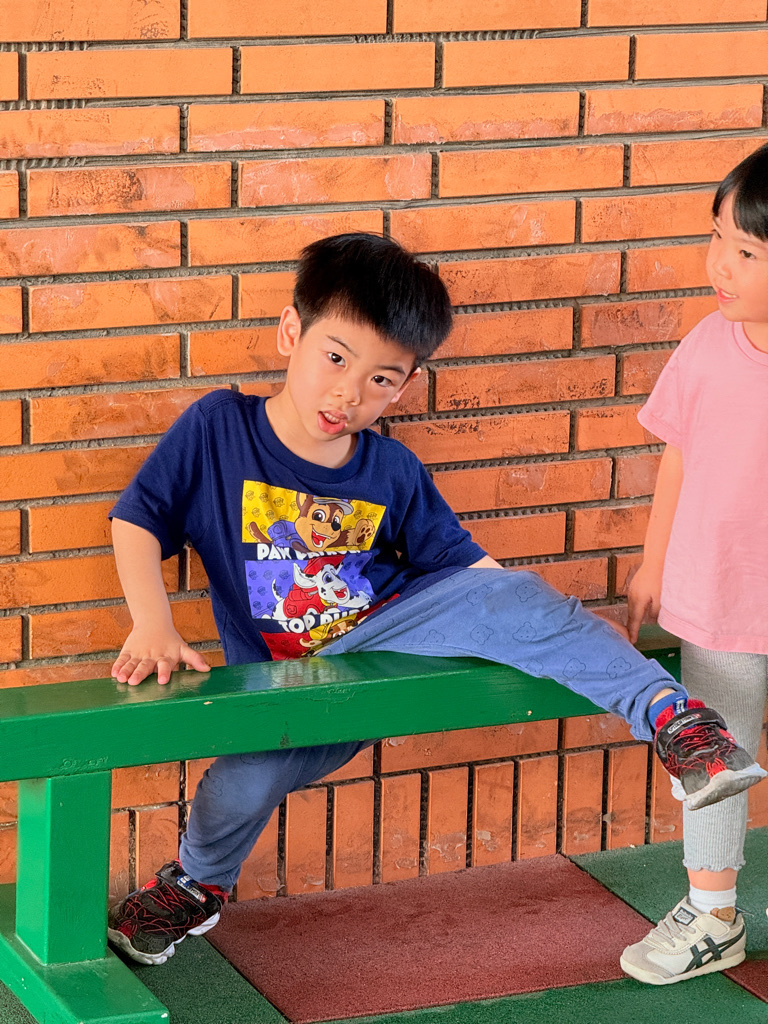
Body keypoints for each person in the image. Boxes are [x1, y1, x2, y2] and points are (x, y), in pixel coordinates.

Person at [105, 232, 765, 967]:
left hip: (386, 635)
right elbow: (139, 517)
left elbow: (471, 574)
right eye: (335, 359)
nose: (349, 394)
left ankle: (679, 725)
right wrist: (152, 624)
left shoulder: (390, 466)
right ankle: (194, 884)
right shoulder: (218, 429)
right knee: (240, 781)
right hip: (285, 678)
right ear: (291, 331)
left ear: (406, 385)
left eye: (381, 379)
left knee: (517, 598)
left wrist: (549, 623)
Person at [620, 143, 768, 986]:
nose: (719, 265)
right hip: (718, 600)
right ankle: (714, 915)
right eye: (716, 237)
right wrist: (653, 563)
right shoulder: (708, 344)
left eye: (745, 251)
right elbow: (676, 456)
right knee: (715, 761)